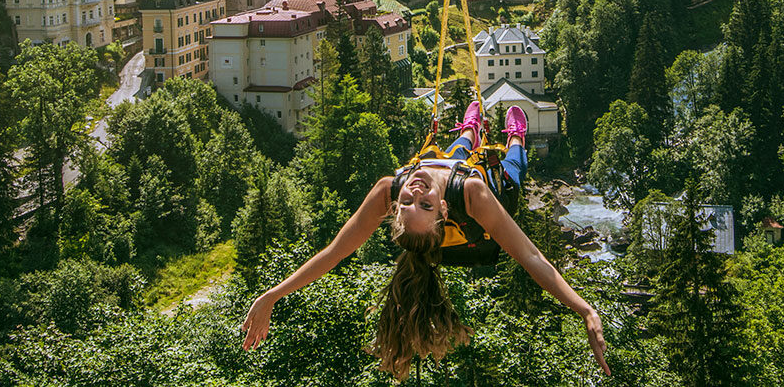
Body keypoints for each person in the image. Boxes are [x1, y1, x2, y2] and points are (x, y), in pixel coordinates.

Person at [240, 102, 610, 378]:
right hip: (492, 185)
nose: (415, 190)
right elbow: (529, 256)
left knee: (452, 154)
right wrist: (584, 309)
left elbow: (335, 252)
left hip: (450, 163)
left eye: (408, 202)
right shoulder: (472, 194)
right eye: (425, 203)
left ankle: (470, 130)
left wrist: (273, 295)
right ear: (444, 210)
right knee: (511, 166)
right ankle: (517, 137)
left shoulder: (391, 187)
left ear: (394, 208)